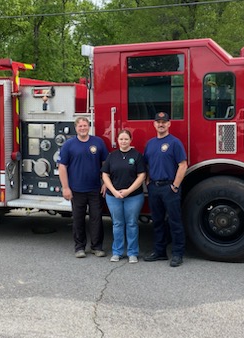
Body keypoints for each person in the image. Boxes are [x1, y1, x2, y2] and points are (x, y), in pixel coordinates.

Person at [58, 116, 109, 258]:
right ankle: (79, 247)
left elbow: (105, 164)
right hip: (76, 189)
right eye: (80, 126)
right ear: (76, 128)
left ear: (89, 126)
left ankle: (97, 247)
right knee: (78, 219)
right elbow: (62, 167)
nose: (83, 128)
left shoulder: (98, 142)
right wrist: (65, 187)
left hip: (95, 189)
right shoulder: (69, 145)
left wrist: (105, 182)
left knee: (96, 219)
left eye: (85, 126)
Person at [143, 112, 188, 267]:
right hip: (154, 187)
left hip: (169, 187)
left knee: (175, 221)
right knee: (157, 222)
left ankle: (177, 253)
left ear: (169, 124)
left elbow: (183, 165)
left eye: (164, 122)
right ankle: (160, 251)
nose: (161, 124)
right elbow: (147, 164)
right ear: (154, 124)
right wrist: (148, 180)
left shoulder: (175, 143)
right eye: (158, 122)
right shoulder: (150, 143)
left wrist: (175, 185)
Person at [101, 130, 146, 264]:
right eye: (121, 139)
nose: (123, 141)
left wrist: (128, 191)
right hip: (113, 196)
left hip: (134, 196)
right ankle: (117, 252)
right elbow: (105, 175)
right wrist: (113, 191)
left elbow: (142, 175)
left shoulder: (137, 156)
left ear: (130, 140)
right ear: (117, 140)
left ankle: (132, 253)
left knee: (132, 224)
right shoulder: (112, 156)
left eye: (126, 139)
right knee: (117, 223)